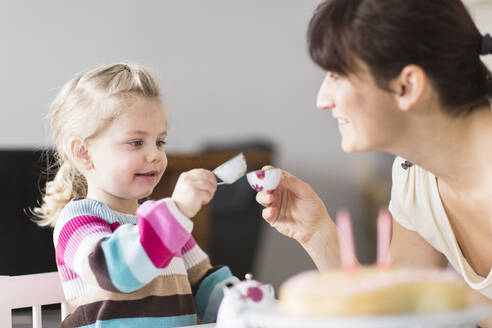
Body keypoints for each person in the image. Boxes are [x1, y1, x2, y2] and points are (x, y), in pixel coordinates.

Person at [255, 0, 492, 325]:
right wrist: (318, 234)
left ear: (406, 86)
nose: (322, 100)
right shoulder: (415, 178)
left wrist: (445, 295)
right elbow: (394, 313)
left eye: (337, 75)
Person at [34, 62, 238, 328]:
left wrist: (246, 303)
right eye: (136, 142)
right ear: (84, 153)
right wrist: (175, 211)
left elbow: (205, 285)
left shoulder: (164, 223)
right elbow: (115, 271)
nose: (155, 154)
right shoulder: (78, 220)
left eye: (160, 142)